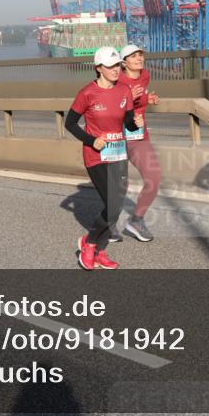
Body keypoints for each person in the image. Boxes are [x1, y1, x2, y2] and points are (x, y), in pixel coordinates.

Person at [65, 46, 143, 270]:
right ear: (98, 68)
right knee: (112, 203)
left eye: (118, 65)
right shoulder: (87, 93)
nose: (116, 70)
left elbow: (127, 122)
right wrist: (91, 140)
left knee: (116, 207)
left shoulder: (124, 91)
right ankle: (89, 243)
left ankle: (99, 251)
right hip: (96, 155)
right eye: (110, 66)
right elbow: (69, 123)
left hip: (118, 153)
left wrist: (133, 123)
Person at [116, 44, 160, 242]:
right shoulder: (117, 79)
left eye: (140, 55)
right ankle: (107, 225)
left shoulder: (145, 75)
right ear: (124, 63)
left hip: (138, 136)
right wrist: (125, 100)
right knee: (118, 185)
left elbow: (140, 97)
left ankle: (136, 220)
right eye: (133, 56)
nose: (139, 59)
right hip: (117, 136)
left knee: (153, 177)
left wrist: (147, 98)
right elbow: (109, 107)